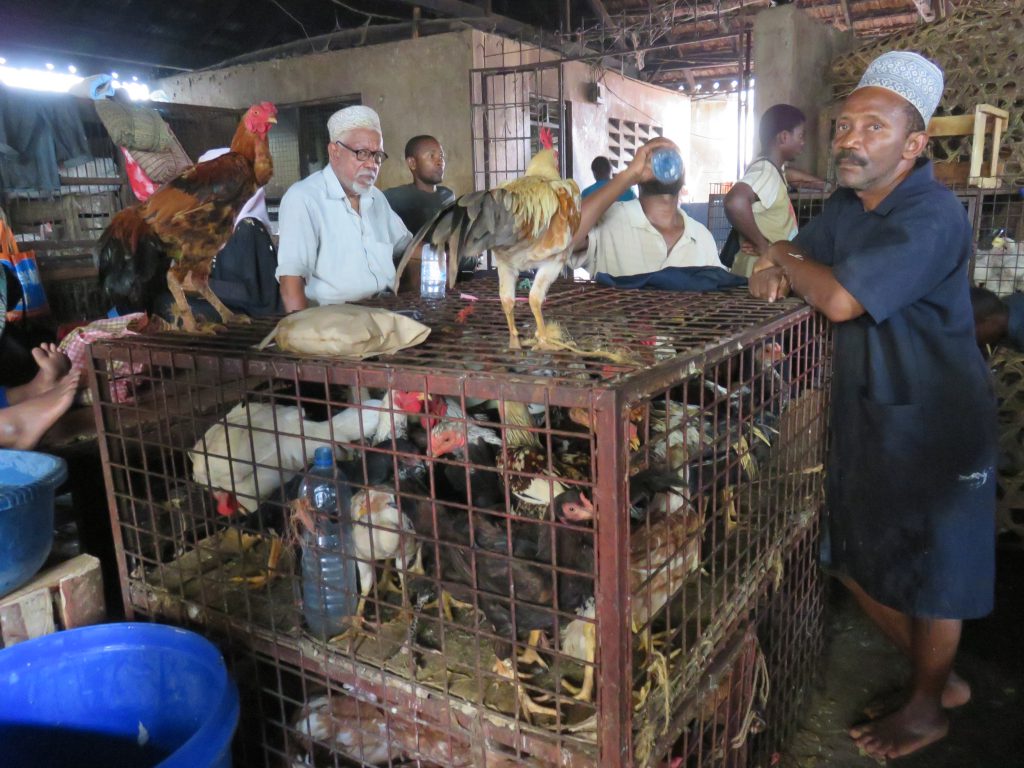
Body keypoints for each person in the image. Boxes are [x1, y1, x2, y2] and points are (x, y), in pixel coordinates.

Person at [748, 52, 994, 760]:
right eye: (846, 124)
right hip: (873, 410)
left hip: (938, 418)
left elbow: (836, 296)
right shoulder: (852, 208)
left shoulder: (930, 215)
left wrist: (778, 261)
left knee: (938, 572)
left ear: (914, 146)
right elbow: (801, 252)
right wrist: (783, 259)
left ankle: (928, 707)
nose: (850, 139)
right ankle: (936, 681)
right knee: (850, 555)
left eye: (874, 127)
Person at [276, 105, 413, 311]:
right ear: (335, 152)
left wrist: (449, 249)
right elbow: (291, 283)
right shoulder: (304, 198)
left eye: (377, 156)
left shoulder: (376, 198)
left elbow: (408, 246)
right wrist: (304, 334)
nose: (372, 164)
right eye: (362, 153)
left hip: (386, 311)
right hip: (336, 320)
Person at [152, 148, 282, 323]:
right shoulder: (216, 224)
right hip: (230, 305)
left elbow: (252, 295)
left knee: (167, 305)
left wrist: (199, 284)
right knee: (163, 299)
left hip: (252, 315)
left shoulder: (246, 227)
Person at [573, 140, 723, 278]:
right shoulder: (608, 222)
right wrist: (628, 176)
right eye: (651, 158)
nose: (666, 162)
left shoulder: (702, 237)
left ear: (683, 174)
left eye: (674, 157)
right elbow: (563, 238)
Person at [724, 104, 825, 278]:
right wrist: (763, 246)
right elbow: (735, 201)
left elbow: (790, 174)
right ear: (784, 137)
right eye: (800, 136)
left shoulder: (771, 170)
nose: (803, 142)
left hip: (764, 272)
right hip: (759, 274)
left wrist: (822, 184)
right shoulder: (765, 172)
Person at [383, 135, 455, 236]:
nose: (440, 162)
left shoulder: (447, 196)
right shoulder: (396, 198)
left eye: (441, 156)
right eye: (432, 156)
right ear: (412, 163)